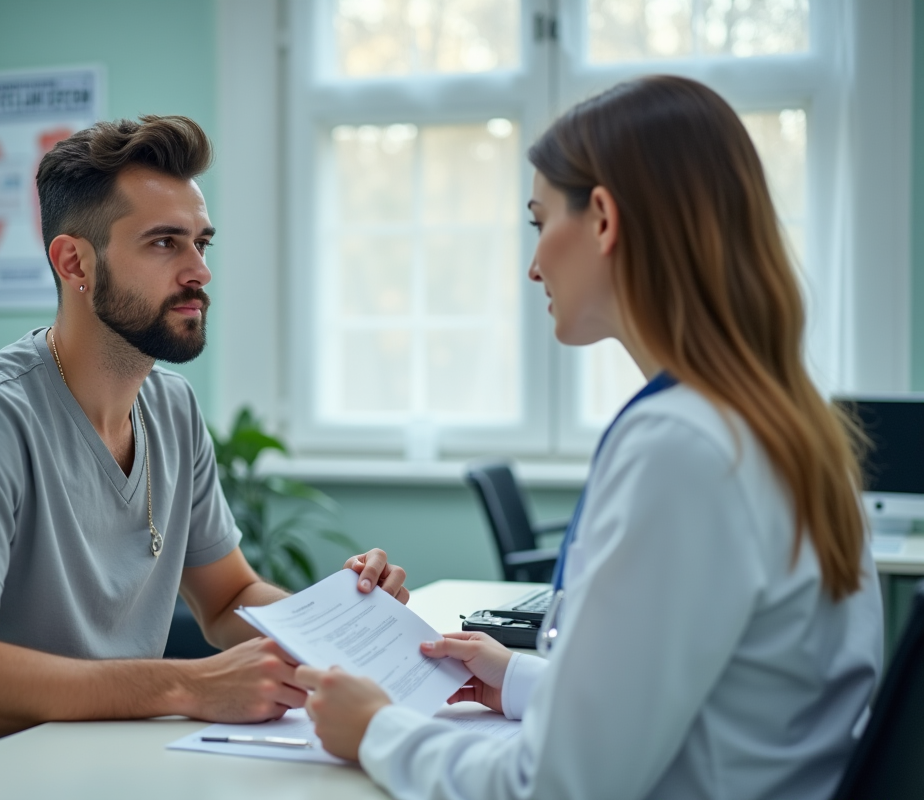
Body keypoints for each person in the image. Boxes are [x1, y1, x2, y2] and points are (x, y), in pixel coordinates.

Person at [294, 76, 883, 800]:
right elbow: (719, 705)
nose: (534, 264)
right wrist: (519, 679)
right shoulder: (780, 424)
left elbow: (556, 787)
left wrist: (377, 729)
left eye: (540, 222)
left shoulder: (680, 447)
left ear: (603, 218)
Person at [0, 115, 409, 779]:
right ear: (74, 262)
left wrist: (339, 620)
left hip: (105, 759)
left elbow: (230, 598)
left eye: (201, 242)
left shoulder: (171, 408)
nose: (199, 270)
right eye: (164, 244)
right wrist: (191, 687)